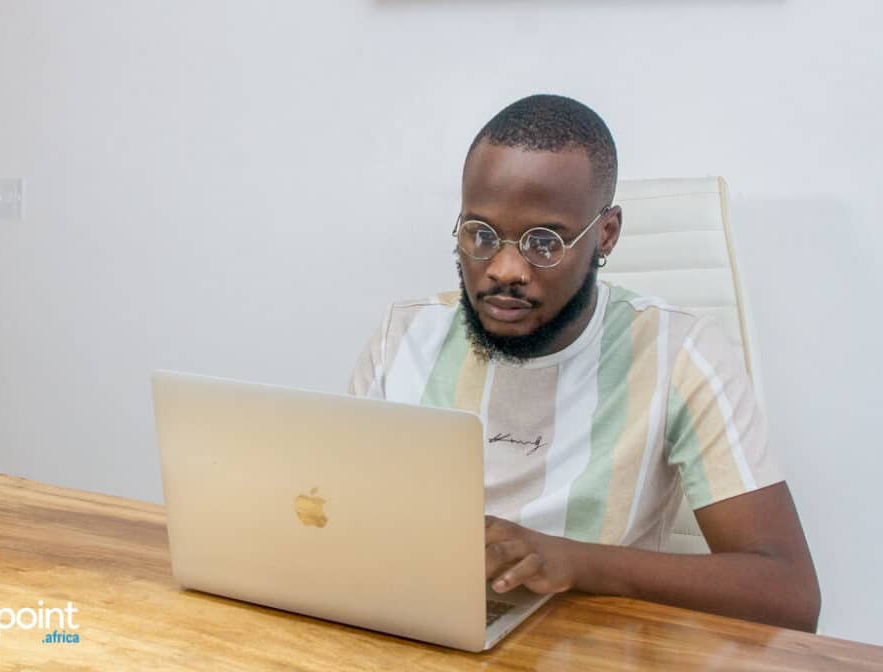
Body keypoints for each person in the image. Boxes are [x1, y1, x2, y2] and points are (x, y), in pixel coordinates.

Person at [348, 95, 820, 632]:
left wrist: (575, 562)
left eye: (543, 243)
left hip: (588, 653)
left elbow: (789, 594)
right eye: (480, 234)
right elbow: (338, 518)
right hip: (413, 634)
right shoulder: (404, 335)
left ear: (606, 234)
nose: (503, 269)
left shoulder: (680, 352)